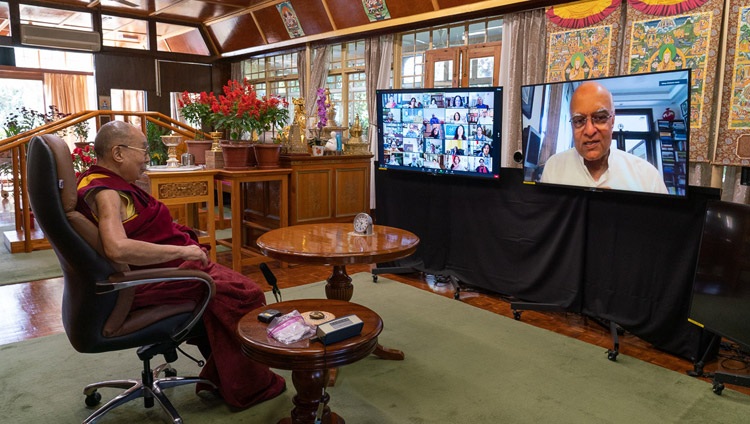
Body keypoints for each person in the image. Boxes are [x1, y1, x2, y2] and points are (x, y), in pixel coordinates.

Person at [75, 121, 286, 409]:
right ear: (118, 153)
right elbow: (117, 246)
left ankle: (222, 374)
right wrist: (182, 250)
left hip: (157, 270)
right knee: (245, 294)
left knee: (232, 289)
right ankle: (247, 386)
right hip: (151, 280)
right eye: (143, 150)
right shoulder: (108, 193)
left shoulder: (93, 180)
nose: (147, 157)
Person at [540, 81, 668, 193]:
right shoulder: (553, 167)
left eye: (600, 118)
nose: (589, 131)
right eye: (579, 120)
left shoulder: (647, 176)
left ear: (612, 121)